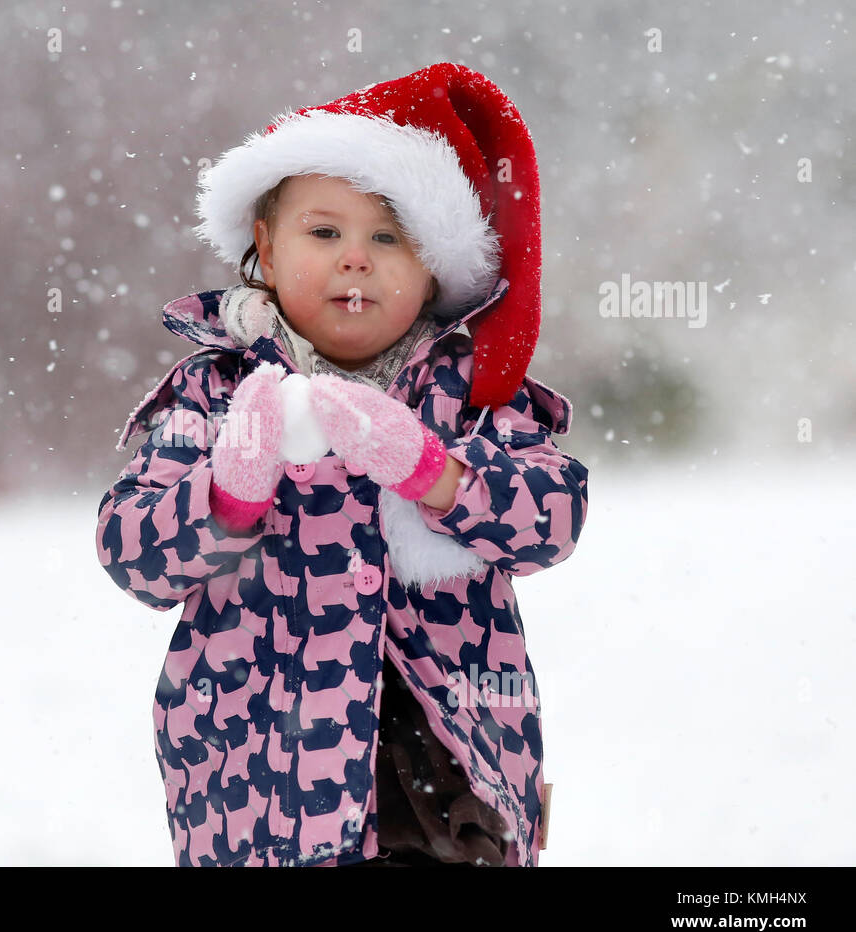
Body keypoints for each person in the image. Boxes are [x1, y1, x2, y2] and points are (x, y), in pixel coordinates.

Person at [95, 63, 588, 867]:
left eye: (387, 239)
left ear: (434, 266)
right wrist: (225, 493)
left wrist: (437, 473)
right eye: (325, 234)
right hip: (254, 774)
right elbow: (132, 556)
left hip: (446, 765)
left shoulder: (471, 392)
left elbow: (554, 519)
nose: (355, 260)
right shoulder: (215, 391)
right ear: (265, 244)